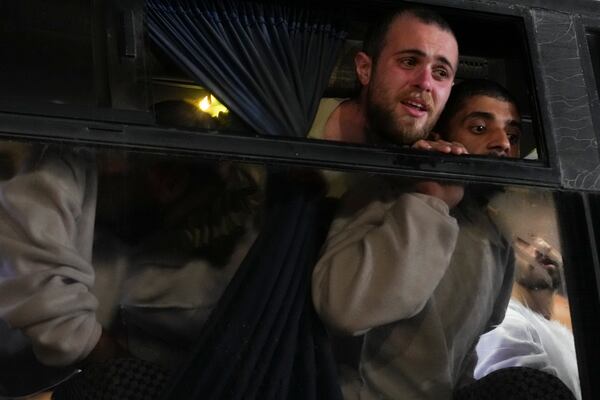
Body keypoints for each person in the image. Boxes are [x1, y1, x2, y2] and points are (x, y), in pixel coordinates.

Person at [312, 78, 522, 399]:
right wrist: (431, 199)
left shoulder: (496, 235)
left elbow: (469, 347)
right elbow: (347, 311)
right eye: (479, 128)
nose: (503, 144)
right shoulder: (383, 197)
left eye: (513, 135)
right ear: (439, 136)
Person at [474, 236, 581, 400]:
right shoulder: (506, 325)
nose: (543, 246)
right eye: (523, 241)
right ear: (504, 256)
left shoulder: (563, 333)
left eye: (547, 238)